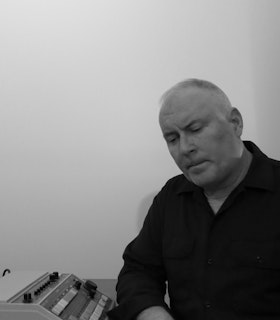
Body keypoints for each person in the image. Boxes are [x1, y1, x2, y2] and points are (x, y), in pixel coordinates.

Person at [107, 79, 280, 320]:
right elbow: (138, 270)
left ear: (235, 123)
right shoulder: (171, 197)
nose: (184, 148)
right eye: (172, 139)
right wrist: (151, 312)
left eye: (195, 129)